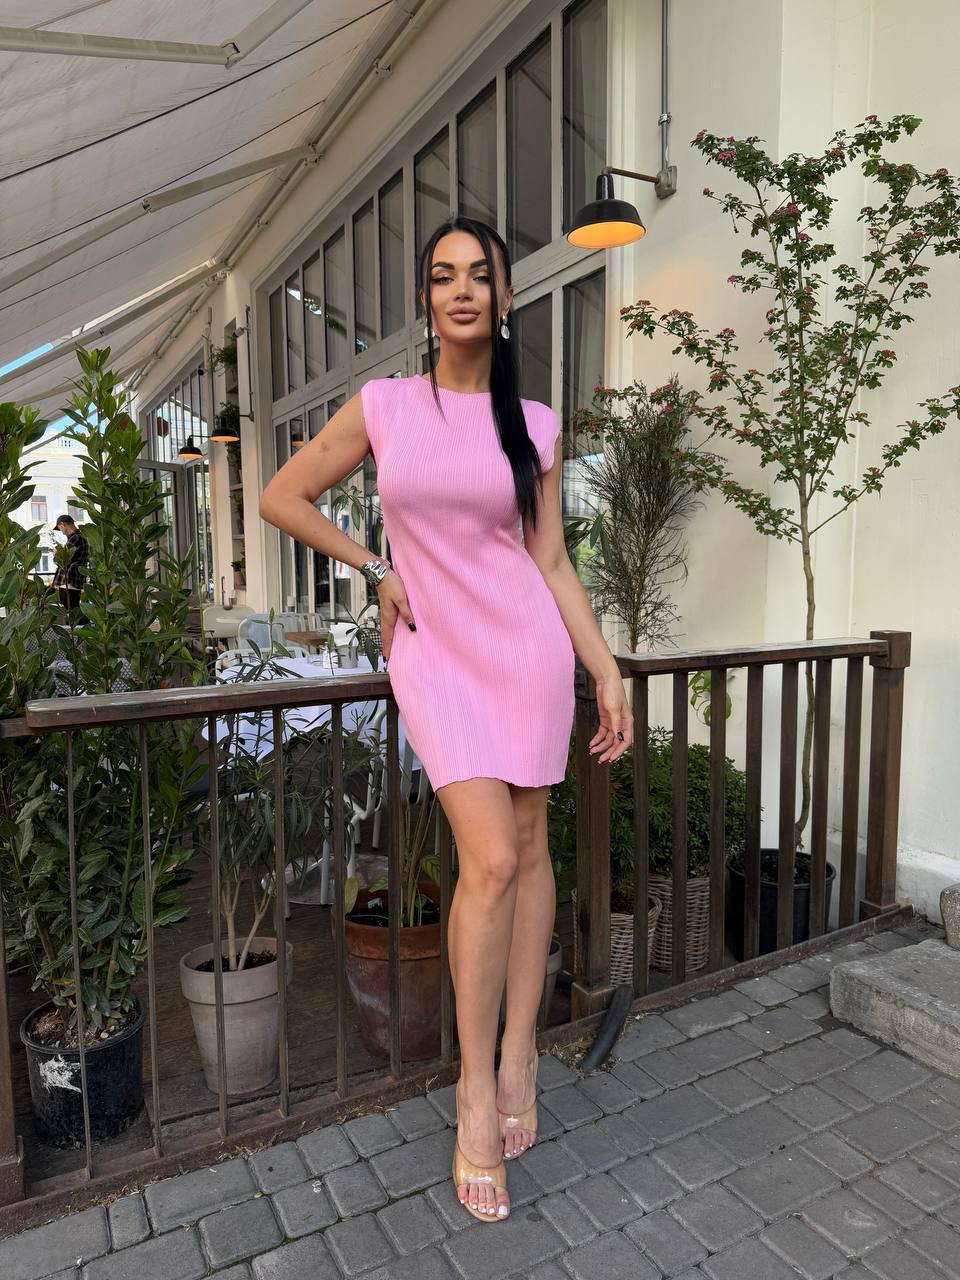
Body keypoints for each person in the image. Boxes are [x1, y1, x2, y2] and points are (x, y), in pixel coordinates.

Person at [259, 215, 633, 1224]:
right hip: (435, 655)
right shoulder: (385, 406)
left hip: (526, 651)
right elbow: (281, 494)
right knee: (493, 859)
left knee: (528, 845)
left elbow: (551, 562)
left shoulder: (538, 424)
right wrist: (377, 567)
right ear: (427, 300)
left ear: (504, 299)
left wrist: (604, 667)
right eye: (442, 276)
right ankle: (475, 1088)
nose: (462, 289)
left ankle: (520, 1056)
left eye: (479, 275)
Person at [52, 513, 89, 617]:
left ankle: (85, 630)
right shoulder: (81, 538)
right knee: (75, 611)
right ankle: (83, 630)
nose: (62, 533)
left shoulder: (75, 538)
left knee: (74, 613)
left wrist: (56, 553)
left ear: (62, 524)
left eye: (60, 529)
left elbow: (61, 559)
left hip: (69, 580)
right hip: (75, 580)